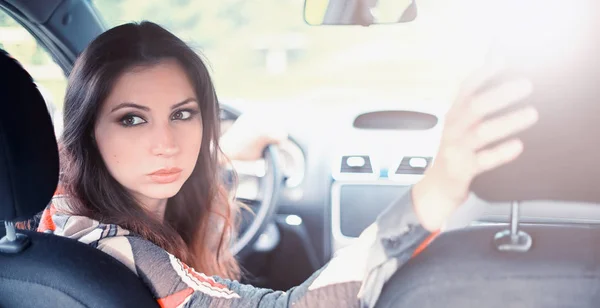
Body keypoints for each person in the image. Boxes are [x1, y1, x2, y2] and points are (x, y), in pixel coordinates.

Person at [20, 21, 538, 307]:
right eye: (132, 120)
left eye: (183, 114)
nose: (167, 146)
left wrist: (223, 157)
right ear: (87, 129)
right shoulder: (124, 256)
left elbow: (168, 153)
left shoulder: (43, 194)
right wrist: (439, 187)